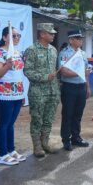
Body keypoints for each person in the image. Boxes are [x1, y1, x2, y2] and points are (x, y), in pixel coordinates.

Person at [0, 26, 26, 165]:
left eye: (18, 36)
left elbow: (18, 75)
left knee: (10, 124)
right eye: (13, 36)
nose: (16, 38)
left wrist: (21, 94)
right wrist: (7, 66)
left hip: (16, 93)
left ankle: (11, 150)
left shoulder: (16, 52)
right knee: (3, 124)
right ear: (4, 37)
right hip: (3, 94)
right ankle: (2, 154)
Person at [23, 23, 60, 157]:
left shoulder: (53, 50)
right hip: (38, 92)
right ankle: (37, 146)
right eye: (50, 33)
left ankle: (45, 142)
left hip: (52, 91)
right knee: (37, 119)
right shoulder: (31, 50)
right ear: (42, 34)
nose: (53, 35)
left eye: (53, 33)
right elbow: (27, 71)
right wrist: (45, 77)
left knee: (48, 119)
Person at [58, 30, 91, 151]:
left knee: (78, 114)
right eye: (78, 38)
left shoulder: (83, 53)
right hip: (69, 87)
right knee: (68, 114)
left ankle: (76, 137)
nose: (80, 40)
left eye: (81, 38)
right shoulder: (64, 53)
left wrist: (88, 87)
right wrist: (81, 73)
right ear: (71, 40)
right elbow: (63, 72)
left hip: (81, 86)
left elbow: (86, 72)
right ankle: (66, 139)